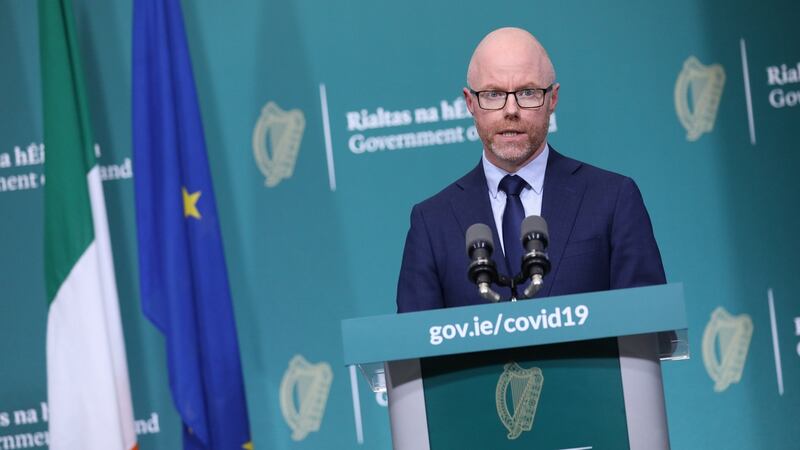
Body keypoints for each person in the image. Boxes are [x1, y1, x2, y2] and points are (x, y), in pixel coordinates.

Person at [396, 27, 666, 313]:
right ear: (470, 103)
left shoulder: (612, 199)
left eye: (527, 92)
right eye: (493, 94)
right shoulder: (431, 222)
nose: (511, 109)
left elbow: (648, 323)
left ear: (553, 99)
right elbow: (414, 349)